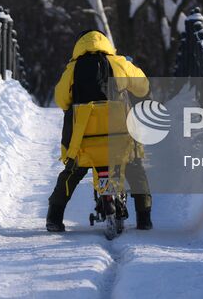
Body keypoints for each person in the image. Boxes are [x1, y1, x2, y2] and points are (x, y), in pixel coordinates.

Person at [46, 28, 152, 232]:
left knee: (72, 172)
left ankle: (54, 217)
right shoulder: (119, 62)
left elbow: (61, 99)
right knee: (134, 166)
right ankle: (144, 217)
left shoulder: (73, 68)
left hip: (85, 139)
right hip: (119, 136)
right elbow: (142, 87)